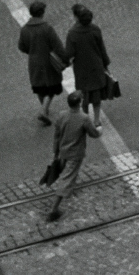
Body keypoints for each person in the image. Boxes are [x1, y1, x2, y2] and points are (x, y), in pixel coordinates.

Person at [45, 90, 102, 223]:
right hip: (75, 154)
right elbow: (93, 133)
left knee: (67, 174)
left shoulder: (61, 115)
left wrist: (56, 153)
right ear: (80, 103)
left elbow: (57, 136)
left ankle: (68, 189)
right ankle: (54, 210)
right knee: (66, 179)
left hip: (63, 152)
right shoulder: (84, 118)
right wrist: (99, 131)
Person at [18, 0, 67, 126]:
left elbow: (22, 47)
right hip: (47, 62)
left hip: (33, 62)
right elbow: (58, 46)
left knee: (39, 87)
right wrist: (65, 59)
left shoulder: (24, 30)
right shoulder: (47, 28)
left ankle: (44, 109)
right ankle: (43, 110)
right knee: (51, 87)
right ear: (42, 13)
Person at [65, 4, 111, 128]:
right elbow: (102, 49)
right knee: (96, 95)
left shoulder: (72, 33)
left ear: (76, 18)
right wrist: (106, 64)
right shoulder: (95, 29)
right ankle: (96, 120)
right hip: (96, 65)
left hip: (81, 69)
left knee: (84, 95)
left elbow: (69, 53)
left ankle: (86, 119)